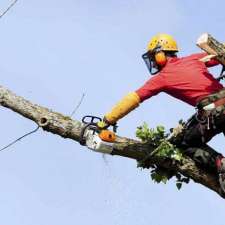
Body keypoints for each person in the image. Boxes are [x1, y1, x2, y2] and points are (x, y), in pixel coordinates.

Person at [101, 33, 225, 191]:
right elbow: (219, 52)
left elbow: (134, 98)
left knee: (185, 143)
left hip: (215, 112)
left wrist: (106, 120)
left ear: (160, 54)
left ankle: (220, 164)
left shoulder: (163, 77)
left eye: (153, 58)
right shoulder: (194, 59)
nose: (153, 62)